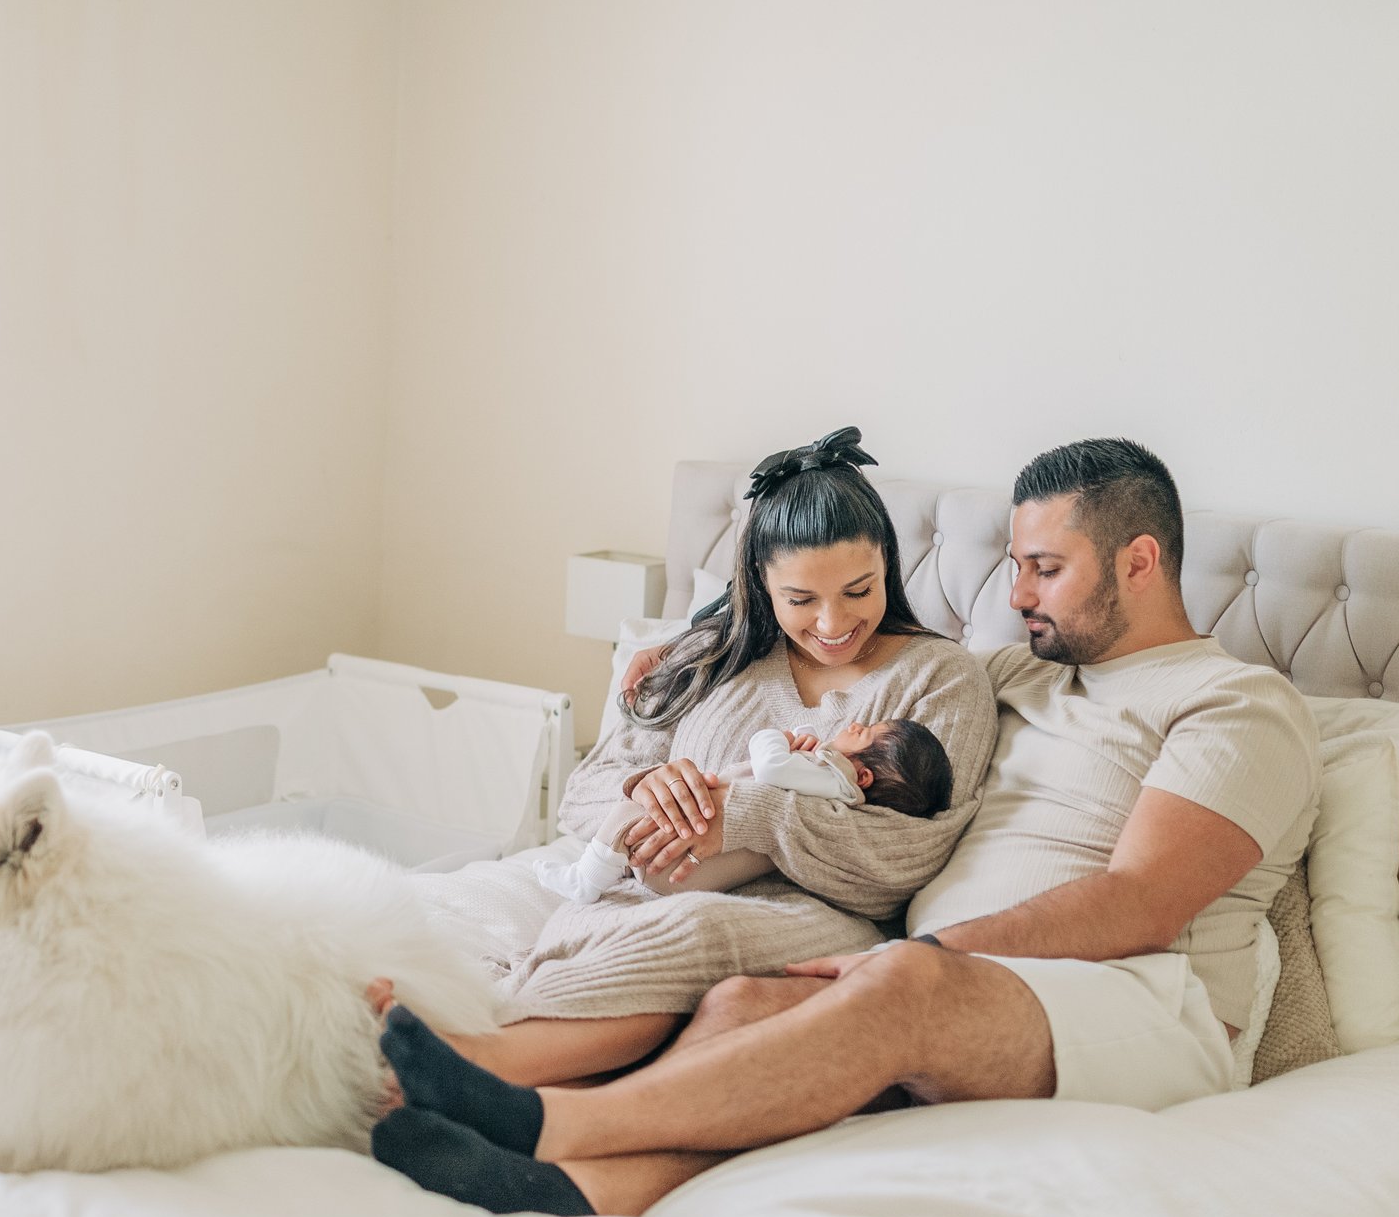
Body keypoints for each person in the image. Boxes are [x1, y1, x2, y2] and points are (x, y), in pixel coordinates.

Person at [377, 437, 1320, 1217]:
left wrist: (926, 952)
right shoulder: (1019, 676)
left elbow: (1141, 904)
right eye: (1016, 567)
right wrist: (679, 663)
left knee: (900, 982)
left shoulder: (1235, 704)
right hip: (972, 983)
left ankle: (546, 1121)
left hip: (1139, 1005)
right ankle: (571, 1190)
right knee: (742, 1004)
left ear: (1140, 561)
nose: (1018, 593)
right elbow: (863, 699)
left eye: (1045, 569)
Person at [416, 427, 999, 1090]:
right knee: (487, 928)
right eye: (801, 600)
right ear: (761, 583)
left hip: (809, 911)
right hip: (638, 882)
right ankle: (481, 1066)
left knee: (689, 932)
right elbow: (582, 798)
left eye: (859, 590)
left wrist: (748, 814)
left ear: (888, 568)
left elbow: (911, 857)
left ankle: (467, 1077)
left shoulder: (941, 678)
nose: (834, 623)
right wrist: (646, 789)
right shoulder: (713, 657)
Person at [537, 718, 953, 904]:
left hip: (683, 863)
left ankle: (585, 880)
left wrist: (773, 736)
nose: (850, 725)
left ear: (863, 776)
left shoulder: (834, 779)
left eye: (862, 732)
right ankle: (611, 867)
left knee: (633, 807)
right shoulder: (833, 788)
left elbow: (771, 766)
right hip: (685, 871)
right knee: (647, 795)